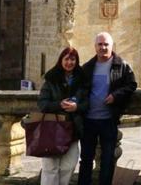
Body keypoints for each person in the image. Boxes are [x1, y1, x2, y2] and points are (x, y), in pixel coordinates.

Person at [78, 32, 138, 185]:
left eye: (106, 44)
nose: (103, 47)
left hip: (109, 120)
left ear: (112, 46)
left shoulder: (122, 65)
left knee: (108, 159)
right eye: (100, 44)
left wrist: (116, 95)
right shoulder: (87, 67)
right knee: (86, 158)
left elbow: (131, 85)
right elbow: (79, 89)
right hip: (88, 120)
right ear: (95, 47)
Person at [38, 46, 89, 185]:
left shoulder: (82, 79)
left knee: (69, 165)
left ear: (76, 61)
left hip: (73, 129)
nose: (69, 62)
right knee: (50, 167)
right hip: (53, 129)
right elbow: (42, 104)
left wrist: (77, 107)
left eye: (73, 59)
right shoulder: (51, 78)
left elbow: (87, 103)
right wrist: (59, 105)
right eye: (66, 59)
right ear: (61, 60)